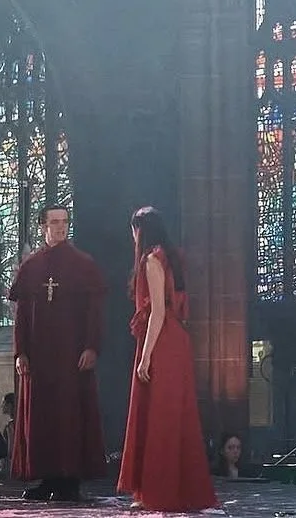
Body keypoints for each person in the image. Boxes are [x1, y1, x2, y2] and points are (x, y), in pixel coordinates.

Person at [117, 207, 216, 513]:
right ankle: (162, 489)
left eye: (134, 231)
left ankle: (158, 491)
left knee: (160, 416)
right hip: (174, 340)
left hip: (162, 342)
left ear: (140, 231)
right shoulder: (171, 257)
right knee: (174, 416)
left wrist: (145, 357)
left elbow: (158, 311)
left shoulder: (151, 260)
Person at [8, 201, 107, 501]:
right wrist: (20, 352)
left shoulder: (83, 264)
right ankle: (48, 478)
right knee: (42, 417)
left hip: (71, 356)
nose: (61, 227)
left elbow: (95, 312)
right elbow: (21, 314)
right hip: (39, 357)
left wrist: (91, 346)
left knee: (70, 415)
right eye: (54, 222)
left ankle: (70, 479)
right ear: (43, 227)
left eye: (64, 221)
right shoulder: (31, 267)